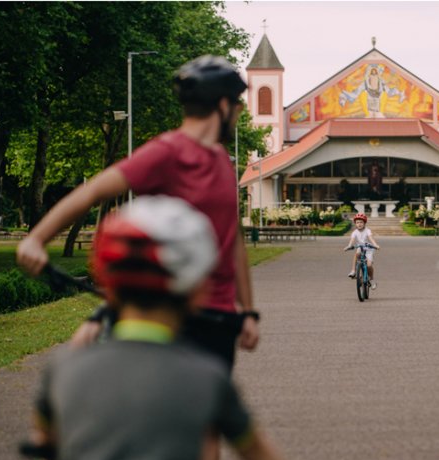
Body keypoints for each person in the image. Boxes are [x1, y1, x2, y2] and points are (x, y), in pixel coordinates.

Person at [31, 196, 306, 460]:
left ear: (107, 283)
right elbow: (253, 448)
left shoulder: (64, 366)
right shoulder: (204, 378)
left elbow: (44, 438)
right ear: (198, 289)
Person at [16, 55, 258, 369]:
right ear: (224, 106)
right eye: (238, 105)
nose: (239, 112)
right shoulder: (167, 152)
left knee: (206, 411)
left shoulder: (222, 160)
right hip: (168, 315)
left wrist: (248, 311)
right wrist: (36, 239)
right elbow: (92, 191)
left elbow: (232, 236)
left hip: (219, 319)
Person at [344, 213, 381, 289]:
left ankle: (372, 279)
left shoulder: (368, 231)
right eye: (357, 222)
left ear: (364, 223)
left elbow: (371, 238)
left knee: (369, 265)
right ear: (355, 224)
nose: (359, 224)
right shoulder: (354, 232)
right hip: (360, 247)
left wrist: (375, 245)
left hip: (369, 248)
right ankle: (353, 271)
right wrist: (349, 246)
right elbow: (352, 240)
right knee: (357, 254)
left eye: (361, 222)